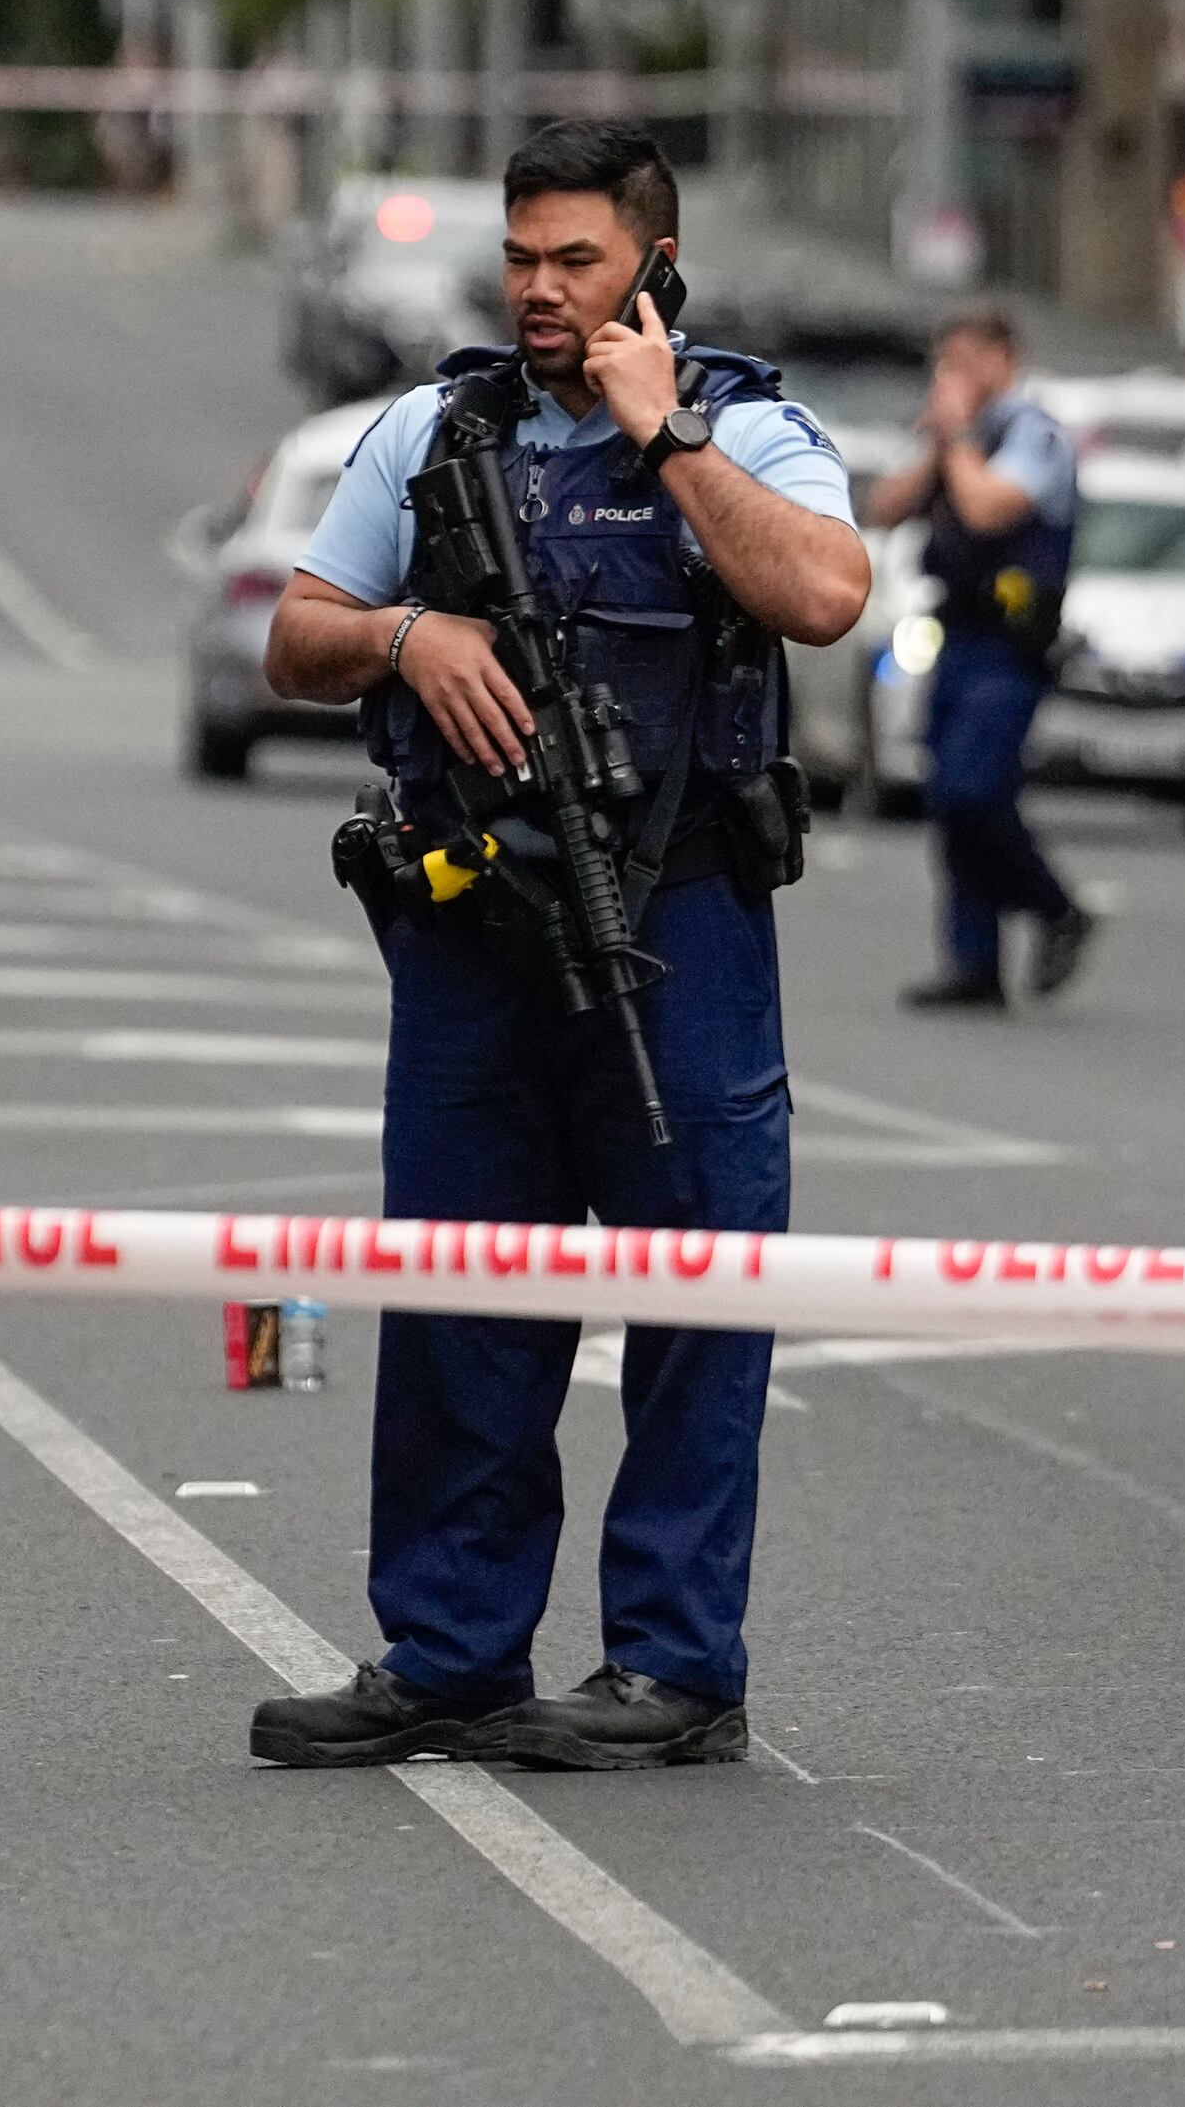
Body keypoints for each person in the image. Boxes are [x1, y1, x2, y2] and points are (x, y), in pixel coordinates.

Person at [246, 119, 869, 1774]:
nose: (538, 287)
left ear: (654, 267)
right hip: (473, 928)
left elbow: (824, 594)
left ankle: (674, 1668)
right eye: (521, 256)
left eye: (575, 260)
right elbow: (295, 636)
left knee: (699, 1302)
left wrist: (665, 439)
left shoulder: (748, 427)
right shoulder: (433, 428)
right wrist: (408, 635)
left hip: (681, 924)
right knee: (460, 1297)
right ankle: (450, 1653)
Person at [868, 308, 1096, 1011]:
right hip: (958, 634)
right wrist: (939, 444)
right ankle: (974, 965)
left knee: (974, 790)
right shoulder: (959, 437)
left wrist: (958, 438)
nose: (952, 377)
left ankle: (1056, 907)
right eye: (947, 363)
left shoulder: (1031, 434)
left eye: (965, 362)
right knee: (947, 798)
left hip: (1010, 643)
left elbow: (987, 509)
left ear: (1005, 358)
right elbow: (883, 507)